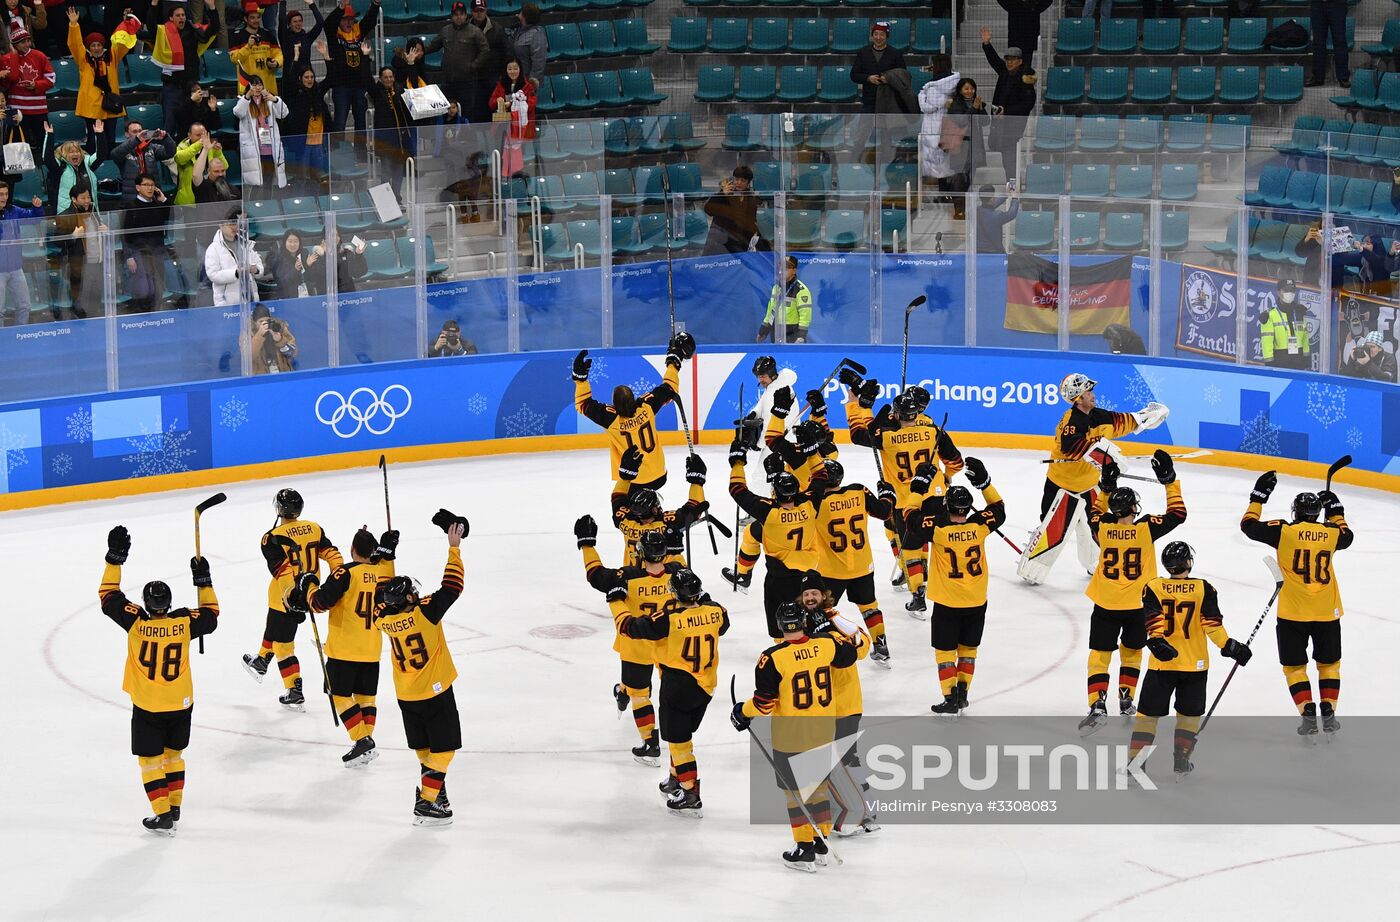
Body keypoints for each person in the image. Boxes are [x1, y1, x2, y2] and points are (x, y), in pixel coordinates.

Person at [99, 526, 219, 837]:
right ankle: (175, 806)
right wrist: (203, 580)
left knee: (150, 760)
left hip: (149, 705)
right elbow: (212, 614)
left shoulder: (135, 622)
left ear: (146, 604)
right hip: (182, 703)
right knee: (174, 755)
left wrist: (115, 559)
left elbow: (108, 596)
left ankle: (162, 814)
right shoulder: (182, 622)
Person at [730, 600, 860, 871]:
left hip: (792, 735)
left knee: (795, 794)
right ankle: (820, 840)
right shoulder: (826, 644)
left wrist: (742, 711)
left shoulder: (772, 658)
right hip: (824, 729)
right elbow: (851, 652)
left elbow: (764, 704)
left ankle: (804, 848)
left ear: (779, 626)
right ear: (804, 622)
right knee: (819, 787)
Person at [1017, 373, 1167, 585]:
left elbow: (1122, 421)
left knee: (1097, 528)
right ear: (1078, 398)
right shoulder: (1071, 421)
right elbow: (1072, 448)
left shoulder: (1099, 415)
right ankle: (1033, 566)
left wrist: (1145, 417)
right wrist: (1107, 458)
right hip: (1062, 488)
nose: (1092, 394)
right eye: (1088, 391)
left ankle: (1095, 563)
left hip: (1089, 486)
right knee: (1053, 532)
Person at [1076, 452, 1186, 735]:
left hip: (1106, 601)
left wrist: (1105, 487)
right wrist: (1169, 481)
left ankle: (1097, 703)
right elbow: (1178, 514)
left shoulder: (1103, 527)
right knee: (1133, 652)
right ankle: (1127, 697)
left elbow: (1094, 512)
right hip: (1139, 604)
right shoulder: (1146, 528)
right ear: (1134, 509)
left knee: (1100, 654)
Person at [372, 517, 467, 826]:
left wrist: (384, 558)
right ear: (410, 598)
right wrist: (454, 548)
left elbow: (379, 599)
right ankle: (426, 802)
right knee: (445, 750)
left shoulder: (382, 620)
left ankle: (437, 798)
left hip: (406, 695)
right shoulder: (425, 612)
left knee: (425, 749)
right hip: (434, 692)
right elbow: (452, 587)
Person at [1241, 473, 1352, 737]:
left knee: (1294, 667)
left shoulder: (1284, 530)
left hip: (1292, 613)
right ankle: (1329, 711)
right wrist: (1336, 510)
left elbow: (1248, 526)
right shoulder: (1331, 533)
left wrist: (1258, 497)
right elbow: (1347, 536)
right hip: (1327, 611)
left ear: (1296, 512)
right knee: (1329, 665)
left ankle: (1308, 714)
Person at [1133, 542, 1252, 780]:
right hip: (1195, 666)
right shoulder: (1203, 588)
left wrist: (1157, 639)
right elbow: (1212, 626)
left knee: (1147, 715)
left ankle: (1134, 765)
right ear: (1188, 562)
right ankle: (1181, 761)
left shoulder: (1154, 586)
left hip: (1162, 665)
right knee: (1188, 715)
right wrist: (1231, 647)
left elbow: (1153, 622)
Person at [846, 376, 964, 612]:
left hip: (904, 499)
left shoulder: (888, 438)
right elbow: (957, 461)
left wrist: (858, 405)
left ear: (898, 414)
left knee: (910, 546)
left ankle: (918, 590)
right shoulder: (933, 430)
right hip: (935, 494)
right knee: (935, 538)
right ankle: (945, 579)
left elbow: (863, 433)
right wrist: (947, 475)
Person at [616, 568, 728, 815]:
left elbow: (629, 628)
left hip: (678, 686)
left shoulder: (669, 619)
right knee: (683, 734)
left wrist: (616, 602)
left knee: (679, 742)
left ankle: (690, 793)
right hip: (705, 687)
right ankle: (676, 778)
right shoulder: (717, 611)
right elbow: (722, 622)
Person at [903, 458, 1005, 714]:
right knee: (968, 649)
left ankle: (950, 697)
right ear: (969, 508)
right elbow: (999, 508)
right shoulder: (980, 525)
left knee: (945, 651)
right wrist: (985, 482)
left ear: (947, 505)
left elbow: (909, 515)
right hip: (976, 599)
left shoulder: (938, 528)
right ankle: (963, 693)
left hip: (948, 602)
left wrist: (918, 487)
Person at [577, 519, 677, 764]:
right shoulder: (677, 572)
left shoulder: (628, 576)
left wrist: (587, 545)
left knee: (640, 695)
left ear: (641, 553)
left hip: (637, 643)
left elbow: (596, 576)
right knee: (668, 692)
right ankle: (625, 692)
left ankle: (650, 742)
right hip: (670, 643)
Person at [298, 525, 397, 766]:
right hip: (372, 648)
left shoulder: (344, 573)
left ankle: (361, 739)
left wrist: (308, 586)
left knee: (339, 695)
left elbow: (320, 603)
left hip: (344, 649)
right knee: (365, 697)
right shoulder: (383, 572)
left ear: (352, 550)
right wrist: (387, 554)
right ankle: (366, 741)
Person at [241, 488, 343, 711]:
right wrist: (340, 578)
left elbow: (283, 571)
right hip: (310, 591)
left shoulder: (272, 537)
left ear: (279, 509)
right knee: (275, 627)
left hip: (286, 596)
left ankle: (294, 689)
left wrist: (289, 596)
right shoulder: (314, 528)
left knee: (283, 644)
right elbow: (333, 555)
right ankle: (261, 660)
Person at [728, 435, 822, 639]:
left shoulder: (768, 512)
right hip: (810, 573)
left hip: (780, 578)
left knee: (781, 627)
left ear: (774, 493)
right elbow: (819, 477)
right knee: (811, 625)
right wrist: (813, 453)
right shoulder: (809, 504)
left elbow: (737, 490)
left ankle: (744, 573)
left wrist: (737, 462)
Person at [572, 335, 687, 495]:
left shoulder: (611, 419)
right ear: (633, 398)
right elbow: (669, 388)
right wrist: (673, 362)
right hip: (660, 476)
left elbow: (582, 404)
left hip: (633, 482)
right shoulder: (646, 407)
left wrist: (580, 379)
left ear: (614, 406)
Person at [808, 458, 894, 665]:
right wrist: (887, 494)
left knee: (822, 612)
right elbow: (884, 512)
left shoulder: (816, 503)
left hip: (831, 571)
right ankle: (880, 644)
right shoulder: (859, 491)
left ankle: (826, 646)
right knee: (869, 606)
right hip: (862, 565)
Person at [142, 0, 221, 136]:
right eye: (178, 15)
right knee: (170, 125)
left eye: (183, 15)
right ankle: (169, 155)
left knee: (192, 125)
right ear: (171, 18)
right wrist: (154, 4)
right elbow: (150, 26)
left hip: (190, 86)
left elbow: (213, 29)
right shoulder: (163, 32)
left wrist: (212, 8)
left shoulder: (193, 30)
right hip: (172, 87)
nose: (181, 18)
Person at [68, 8, 132, 149]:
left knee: (110, 139)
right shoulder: (83, 59)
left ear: (103, 45)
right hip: (91, 107)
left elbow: (121, 42)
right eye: (92, 45)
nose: (96, 48)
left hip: (110, 104)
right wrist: (74, 25)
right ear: (88, 47)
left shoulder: (112, 56)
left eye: (98, 45)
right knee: (93, 141)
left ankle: (110, 167)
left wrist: (126, 22)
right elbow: (74, 44)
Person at [981, 28, 1037, 185]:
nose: (1009, 62)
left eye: (1012, 59)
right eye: (1007, 59)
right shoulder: (1004, 72)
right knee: (1006, 155)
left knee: (1009, 158)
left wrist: (1008, 111)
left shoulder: (1025, 79)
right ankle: (1012, 184)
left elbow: (1028, 103)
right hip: (1000, 123)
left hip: (1013, 125)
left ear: (1020, 61)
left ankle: (1012, 186)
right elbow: (994, 60)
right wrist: (987, 44)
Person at [323, 1, 380, 147]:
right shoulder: (334, 33)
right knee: (340, 121)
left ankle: (361, 156)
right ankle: (338, 157)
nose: (349, 22)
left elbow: (370, 21)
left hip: (359, 85)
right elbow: (328, 24)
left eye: (351, 19)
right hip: (341, 86)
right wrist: (341, 7)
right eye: (345, 19)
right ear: (340, 20)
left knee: (361, 121)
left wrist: (375, 4)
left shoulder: (358, 30)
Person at [52, 182, 105, 318]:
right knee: (81, 299)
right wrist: (72, 236)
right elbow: (57, 242)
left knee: (96, 295)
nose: (87, 201)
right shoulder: (65, 216)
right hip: (78, 263)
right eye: (83, 198)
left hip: (97, 260)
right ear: (74, 199)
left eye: (88, 197)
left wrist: (105, 230)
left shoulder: (93, 212)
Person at [120, 174, 171, 313]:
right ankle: (141, 315)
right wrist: (129, 256)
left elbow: (173, 216)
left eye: (152, 185)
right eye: (146, 185)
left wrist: (164, 199)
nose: (150, 188)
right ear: (138, 187)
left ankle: (156, 313)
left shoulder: (158, 204)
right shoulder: (130, 207)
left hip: (157, 250)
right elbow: (125, 235)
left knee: (158, 284)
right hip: (139, 251)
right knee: (144, 287)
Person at [0, 26, 50, 163]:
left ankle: (46, 169)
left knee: (44, 143)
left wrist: (36, 85)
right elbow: (12, 79)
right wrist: (14, 56)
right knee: (19, 145)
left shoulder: (40, 56)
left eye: (28, 41)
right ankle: (24, 176)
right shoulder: (6, 59)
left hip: (38, 109)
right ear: (14, 44)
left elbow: (51, 78)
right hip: (17, 109)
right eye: (22, 42)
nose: (27, 44)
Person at [429, 1, 489, 113]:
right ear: (452, 16)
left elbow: (485, 50)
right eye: (456, 14)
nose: (459, 17)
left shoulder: (475, 31)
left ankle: (467, 131)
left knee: (467, 112)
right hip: (448, 80)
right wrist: (418, 50)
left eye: (461, 14)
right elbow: (433, 46)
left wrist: (474, 66)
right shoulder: (445, 31)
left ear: (466, 15)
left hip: (467, 81)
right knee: (446, 112)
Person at [233, 75, 289, 192]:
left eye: (259, 84)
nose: (257, 88)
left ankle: (267, 205)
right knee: (256, 184)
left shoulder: (268, 101)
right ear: (249, 87)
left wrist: (275, 99)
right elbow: (238, 112)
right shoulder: (244, 102)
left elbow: (283, 113)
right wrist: (247, 96)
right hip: (253, 148)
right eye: (254, 85)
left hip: (269, 147)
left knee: (268, 181)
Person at [280, 65, 330, 193]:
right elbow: (288, 81)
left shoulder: (318, 92)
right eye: (306, 77)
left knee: (317, 177)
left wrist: (326, 58)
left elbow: (331, 79)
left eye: (312, 77)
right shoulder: (296, 95)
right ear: (300, 79)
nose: (310, 79)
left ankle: (316, 203)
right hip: (303, 144)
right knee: (301, 178)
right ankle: (300, 205)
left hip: (318, 143)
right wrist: (295, 60)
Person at [943, 78, 987, 217]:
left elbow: (985, 122)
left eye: (972, 88)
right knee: (960, 177)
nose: (970, 91)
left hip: (975, 144)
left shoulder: (977, 103)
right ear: (960, 90)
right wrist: (974, 108)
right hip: (961, 145)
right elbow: (961, 122)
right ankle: (959, 209)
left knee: (970, 177)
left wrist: (980, 108)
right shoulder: (955, 105)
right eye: (966, 88)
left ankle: (966, 206)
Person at [205, 210, 265, 308]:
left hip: (251, 299)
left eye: (237, 223)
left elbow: (260, 269)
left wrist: (256, 270)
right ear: (221, 225)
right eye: (231, 223)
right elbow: (213, 275)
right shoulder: (213, 248)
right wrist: (236, 273)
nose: (235, 227)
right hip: (227, 304)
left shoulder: (246, 243)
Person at [916, 56, 961, 187]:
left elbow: (927, 107)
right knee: (944, 161)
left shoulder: (934, 87)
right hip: (947, 125)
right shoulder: (954, 83)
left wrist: (921, 95)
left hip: (934, 126)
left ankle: (943, 192)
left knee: (937, 163)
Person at [0, 180, 40, 324]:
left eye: (6, 194)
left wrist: (37, 208)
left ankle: (21, 335)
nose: (4, 197)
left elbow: (33, 219)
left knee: (24, 306)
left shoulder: (13, 210)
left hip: (16, 268)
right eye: (0, 194)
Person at [369, 66, 414, 193]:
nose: (389, 79)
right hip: (385, 139)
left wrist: (410, 64)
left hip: (399, 139)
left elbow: (411, 82)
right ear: (381, 79)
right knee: (386, 171)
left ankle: (397, 197)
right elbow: (367, 81)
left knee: (399, 171)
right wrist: (366, 57)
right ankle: (387, 202)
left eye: (391, 77)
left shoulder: (399, 89)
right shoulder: (377, 91)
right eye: (386, 77)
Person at [487, 57, 535, 177]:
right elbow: (491, 103)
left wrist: (515, 105)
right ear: (506, 70)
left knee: (518, 153)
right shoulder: (501, 85)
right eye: (509, 69)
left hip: (520, 128)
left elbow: (531, 104)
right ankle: (503, 177)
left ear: (520, 69)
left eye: (515, 68)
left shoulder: (527, 86)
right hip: (503, 127)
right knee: (504, 155)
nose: (512, 71)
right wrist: (500, 101)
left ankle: (517, 177)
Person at [109, 122, 176, 205]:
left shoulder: (152, 148)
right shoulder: (123, 150)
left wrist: (166, 138)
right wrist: (136, 140)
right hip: (131, 196)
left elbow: (171, 152)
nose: (138, 133)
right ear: (126, 134)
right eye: (134, 131)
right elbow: (114, 154)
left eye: (140, 131)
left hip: (153, 194)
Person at [702, 165, 760, 255]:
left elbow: (751, 220)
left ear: (748, 183)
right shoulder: (725, 194)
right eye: (737, 179)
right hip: (720, 240)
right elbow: (708, 210)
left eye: (743, 181)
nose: (739, 183)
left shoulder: (750, 199)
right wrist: (722, 194)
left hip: (739, 240)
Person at [849, 21, 907, 113]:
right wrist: (868, 78)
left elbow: (904, 76)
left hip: (890, 101)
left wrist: (889, 78)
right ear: (872, 36)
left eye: (882, 35)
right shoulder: (863, 52)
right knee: (865, 127)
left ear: (887, 36)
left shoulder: (895, 54)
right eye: (875, 34)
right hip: (869, 101)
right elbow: (854, 75)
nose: (878, 38)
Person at [757, 256, 814, 344]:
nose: (780, 272)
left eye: (786, 268)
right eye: (780, 268)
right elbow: (770, 311)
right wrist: (763, 331)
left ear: (794, 271)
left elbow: (805, 316)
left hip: (793, 336)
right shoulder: (776, 288)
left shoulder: (801, 290)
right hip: (776, 334)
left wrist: (801, 336)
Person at [1259, 278, 1313, 370]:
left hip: (1298, 361)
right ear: (1279, 292)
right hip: (1280, 362)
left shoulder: (1300, 312)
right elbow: (1266, 343)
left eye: (1292, 290)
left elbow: (1305, 339)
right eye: (1286, 290)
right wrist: (1270, 365)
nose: (1290, 293)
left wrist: (1307, 362)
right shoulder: (1270, 315)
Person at [469, 0, 508, 123]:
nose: (479, 14)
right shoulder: (465, 29)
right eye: (476, 11)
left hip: (493, 77)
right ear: (471, 12)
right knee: (476, 111)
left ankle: (496, 139)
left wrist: (503, 74)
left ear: (486, 11)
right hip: (473, 77)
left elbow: (507, 52)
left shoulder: (497, 29)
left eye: (481, 10)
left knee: (494, 110)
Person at [230, 20, 284, 96]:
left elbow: (279, 54)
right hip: (248, 86)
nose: (256, 20)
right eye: (252, 17)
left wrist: (277, 62)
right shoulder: (237, 36)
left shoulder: (268, 34)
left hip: (268, 86)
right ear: (246, 19)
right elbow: (235, 59)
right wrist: (248, 46)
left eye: (258, 17)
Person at [1306, 0, 1350, 89]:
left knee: (1340, 41)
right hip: (1317, 5)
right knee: (1318, 42)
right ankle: (1318, 77)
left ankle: (1343, 77)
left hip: (1337, 5)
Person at [996, 0, 1053, 68]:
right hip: (1015, 37)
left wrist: (1036, 7)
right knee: (1014, 66)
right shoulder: (1013, 4)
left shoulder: (1034, 5)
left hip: (1029, 37)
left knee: (1026, 65)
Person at [303, 236, 368, 295]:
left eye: (336, 235)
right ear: (323, 241)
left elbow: (358, 273)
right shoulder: (317, 257)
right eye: (331, 235)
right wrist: (308, 266)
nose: (334, 238)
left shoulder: (346, 253)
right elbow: (311, 280)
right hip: (326, 299)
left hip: (347, 298)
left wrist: (358, 255)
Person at [247, 302, 298, 373]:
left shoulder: (279, 327)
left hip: (282, 373)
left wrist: (280, 340)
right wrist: (259, 335)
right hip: (261, 377)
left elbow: (293, 352)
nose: (264, 324)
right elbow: (248, 358)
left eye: (267, 321)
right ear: (255, 323)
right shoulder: (248, 333)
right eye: (261, 321)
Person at [281, 0, 326, 76]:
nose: (298, 24)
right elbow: (282, 20)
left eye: (300, 21)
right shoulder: (285, 37)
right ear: (289, 24)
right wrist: (283, 2)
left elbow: (320, 23)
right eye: (295, 21)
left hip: (307, 77)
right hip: (290, 78)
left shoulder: (307, 37)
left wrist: (312, 4)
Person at [263, 231, 310, 300]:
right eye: (290, 241)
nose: (293, 244)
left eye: (296, 241)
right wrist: (295, 270)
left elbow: (312, 278)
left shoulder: (304, 254)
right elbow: (282, 281)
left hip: (306, 296)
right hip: (287, 298)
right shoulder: (279, 258)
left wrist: (309, 265)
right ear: (285, 242)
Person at [512, 3, 546, 85]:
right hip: (517, 78)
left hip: (527, 81)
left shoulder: (536, 34)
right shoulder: (518, 30)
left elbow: (539, 62)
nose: (518, 14)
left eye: (520, 12)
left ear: (524, 16)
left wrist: (531, 83)